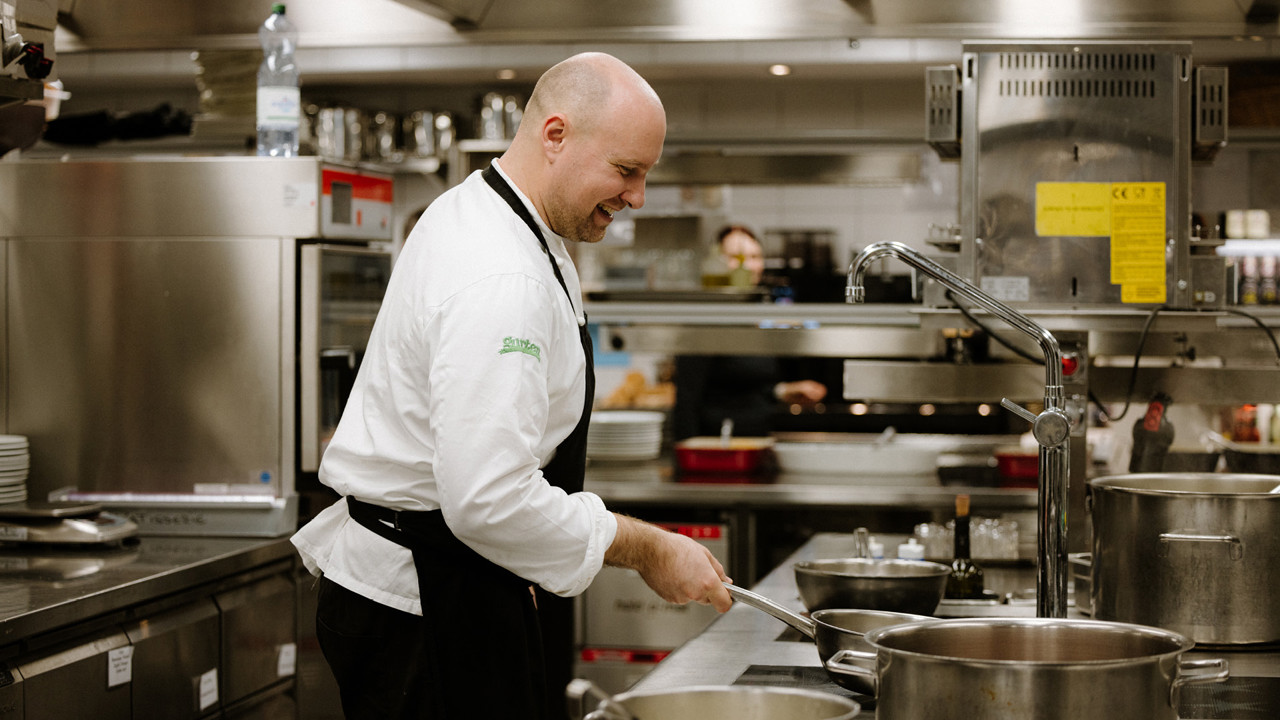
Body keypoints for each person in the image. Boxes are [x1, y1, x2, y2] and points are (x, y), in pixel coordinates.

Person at [291, 52, 733, 720]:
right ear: (555, 135)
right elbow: (489, 500)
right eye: (626, 170)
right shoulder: (503, 274)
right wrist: (649, 549)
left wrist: (521, 558)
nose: (638, 196)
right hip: (424, 607)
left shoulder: (488, 212)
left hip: (445, 578)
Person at [673, 225, 828, 439]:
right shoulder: (706, 318)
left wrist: (783, 391)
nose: (748, 265)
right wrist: (688, 451)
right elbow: (687, 399)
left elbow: (743, 387)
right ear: (717, 262)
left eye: (755, 257)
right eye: (736, 257)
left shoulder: (756, 313)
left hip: (758, 439)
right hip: (718, 444)